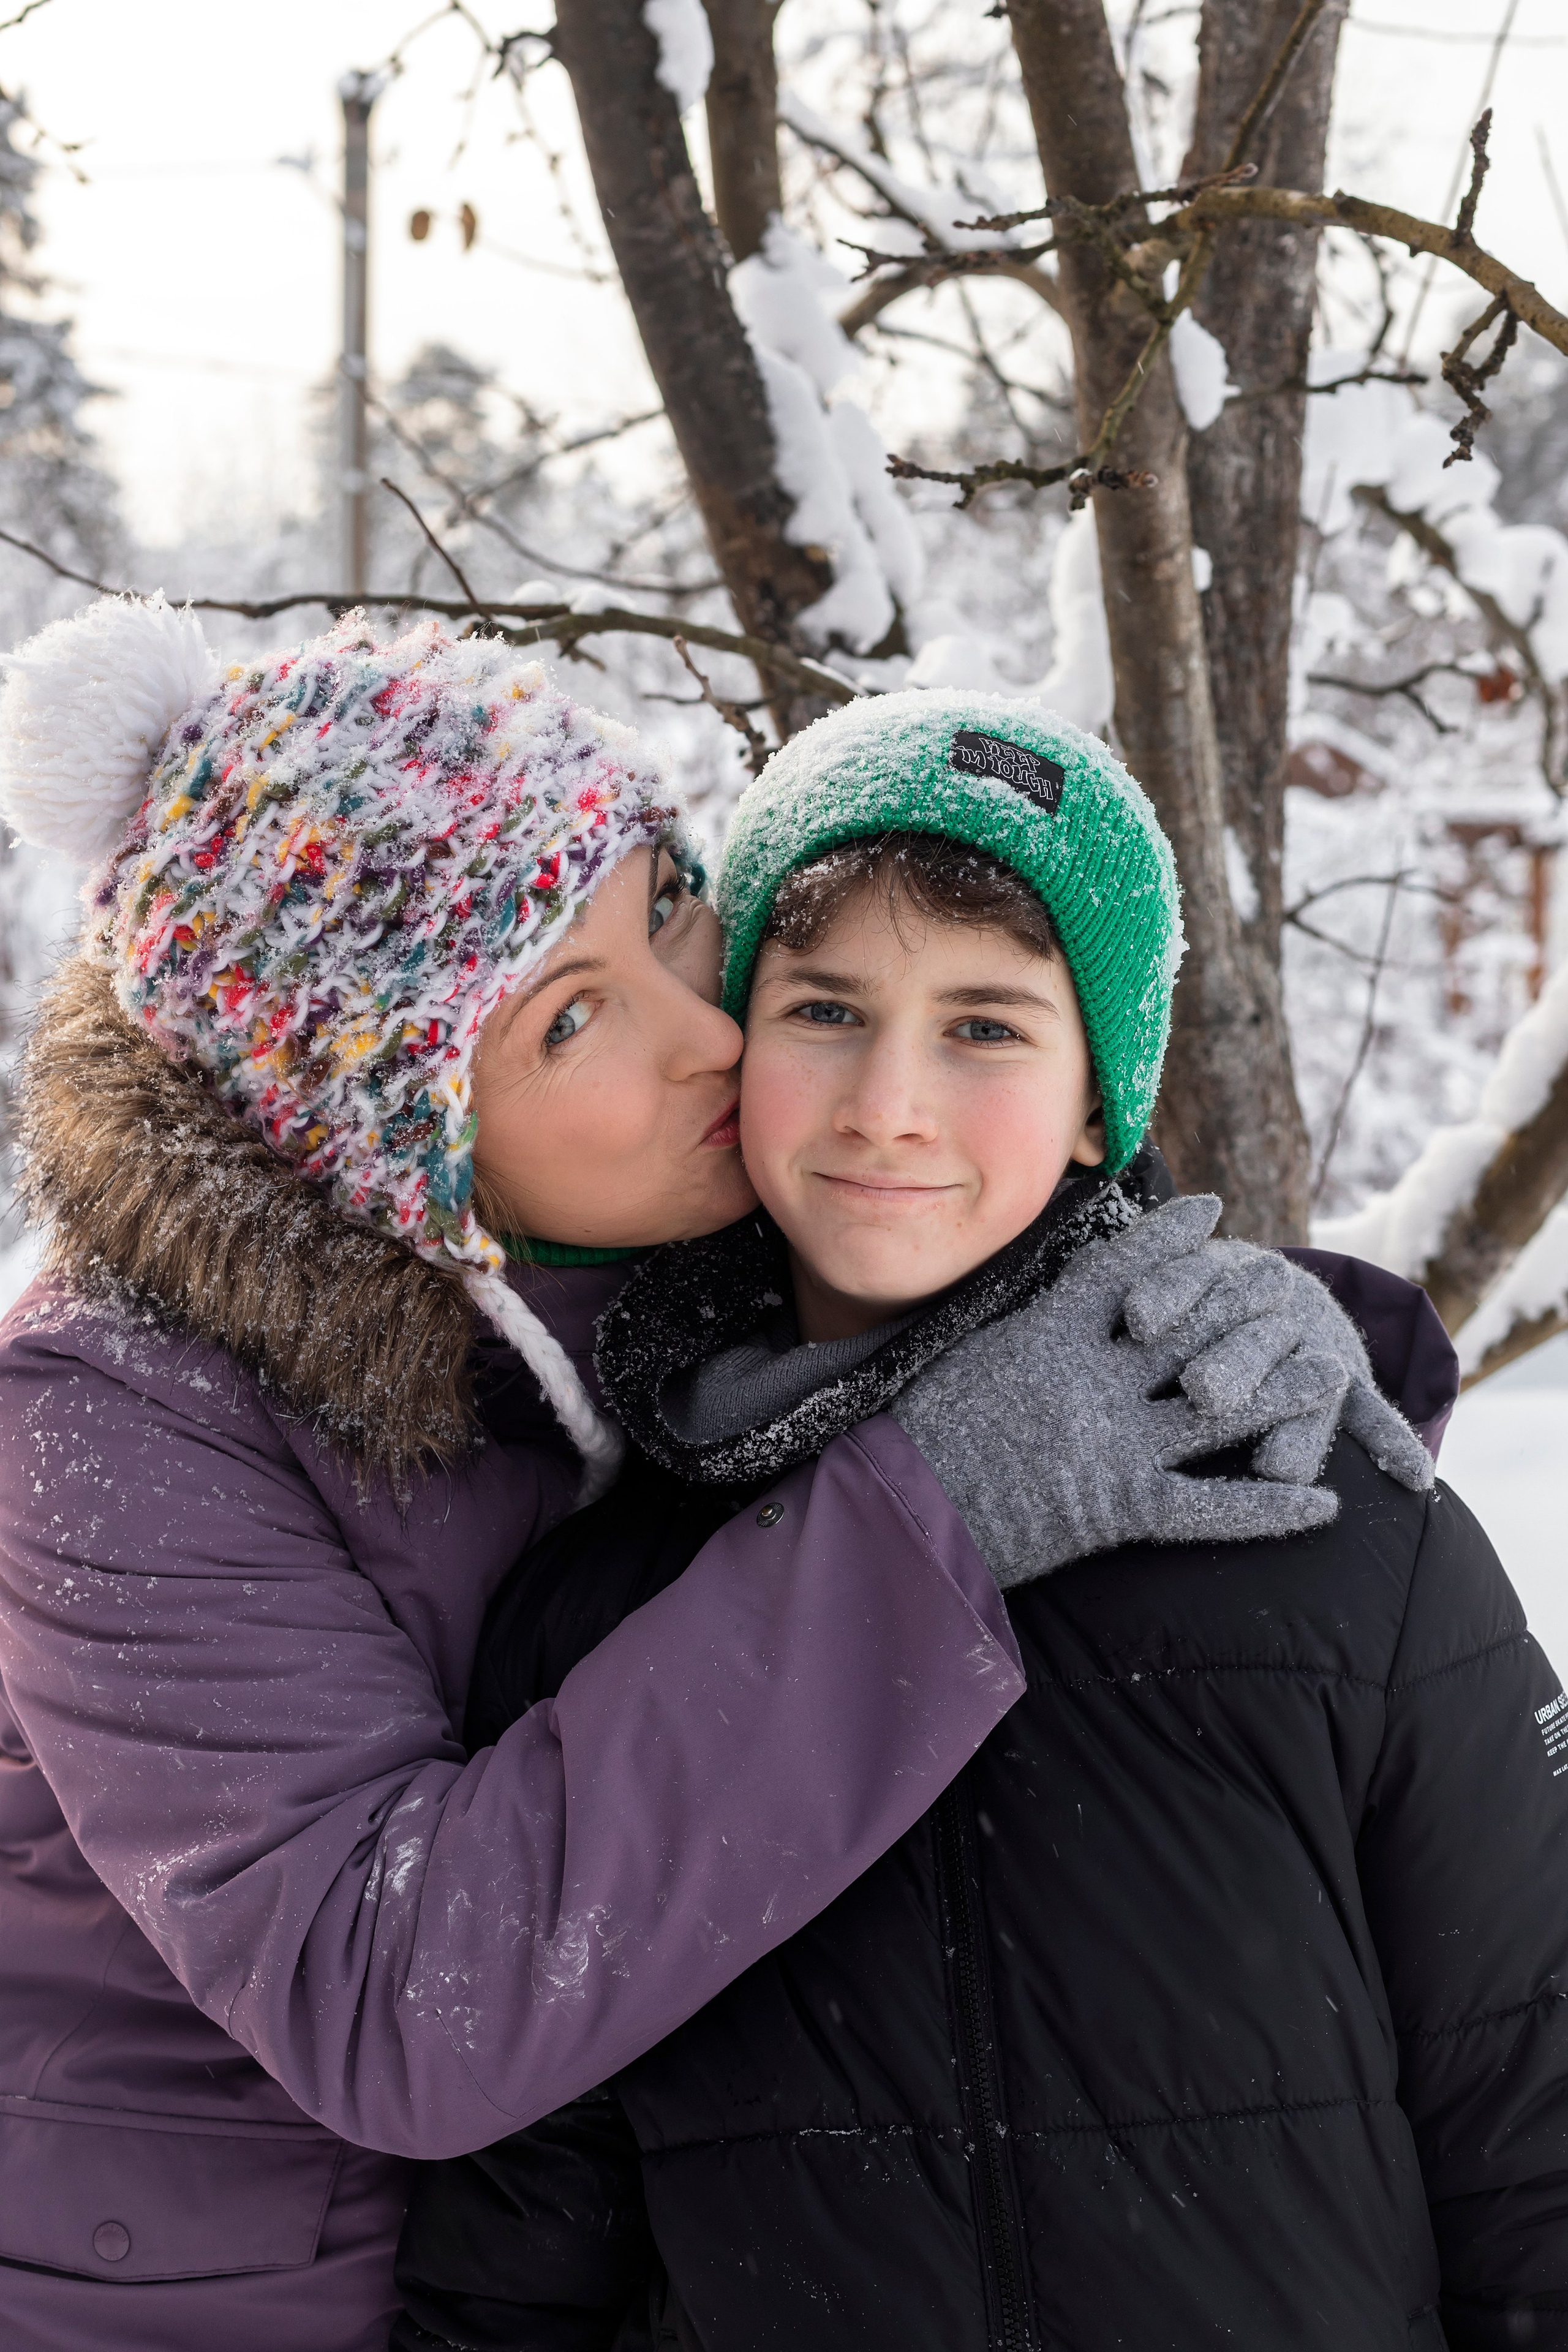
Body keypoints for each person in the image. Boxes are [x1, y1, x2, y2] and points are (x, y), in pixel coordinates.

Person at [0, 609, 1402, 2351]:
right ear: (389, 1148)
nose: (715, 1038)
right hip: (226, 2300)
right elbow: (391, 1992)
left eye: (669, 903)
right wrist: (938, 1511)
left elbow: (979, 1220)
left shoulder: (650, 1253)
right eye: (573, 1017)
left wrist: (1249, 1317)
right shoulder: (108, 1421)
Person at [391, 695, 1548, 2352]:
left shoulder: (1321, 1522)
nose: (887, 1104)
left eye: (988, 1028)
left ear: (1101, 1104)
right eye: (826, 1010)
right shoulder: (597, 1601)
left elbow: (1533, 2105)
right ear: (737, 1047)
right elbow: (514, 2256)